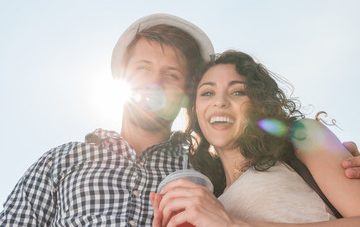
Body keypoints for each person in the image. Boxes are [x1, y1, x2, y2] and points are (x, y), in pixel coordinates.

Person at [0, 13, 359, 226]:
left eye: (171, 74)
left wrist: (333, 160)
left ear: (185, 93)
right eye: (143, 68)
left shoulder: (203, 169)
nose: (155, 83)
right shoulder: (61, 160)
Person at [151, 50, 360, 226]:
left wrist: (233, 224)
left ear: (259, 104)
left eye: (237, 92)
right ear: (196, 110)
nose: (220, 102)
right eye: (207, 93)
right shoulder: (211, 195)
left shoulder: (302, 136)